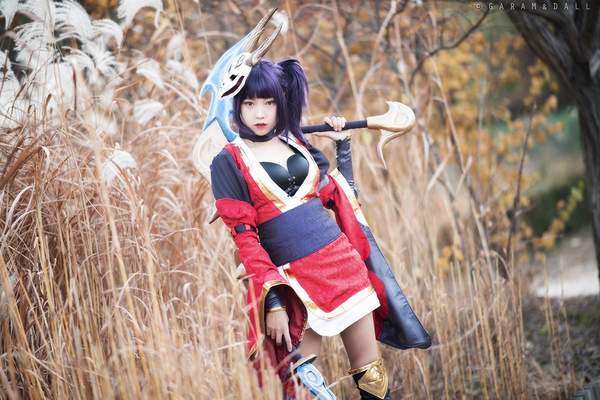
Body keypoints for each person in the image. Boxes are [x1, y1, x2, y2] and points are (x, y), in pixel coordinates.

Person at [209, 58, 430, 400]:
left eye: (268, 102)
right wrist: (274, 303)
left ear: (281, 102)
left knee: (372, 377)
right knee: (301, 385)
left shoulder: (298, 145)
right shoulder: (229, 161)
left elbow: (343, 197)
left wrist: (342, 144)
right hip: (294, 284)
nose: (259, 113)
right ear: (237, 106)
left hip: (344, 267)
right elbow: (246, 241)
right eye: (249, 103)